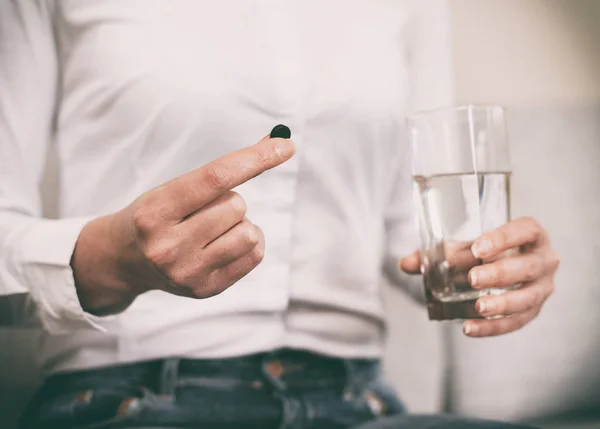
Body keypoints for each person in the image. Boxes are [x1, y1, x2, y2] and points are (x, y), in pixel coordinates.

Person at [0, 1, 559, 428]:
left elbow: (405, 220)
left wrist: (479, 267)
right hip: (125, 392)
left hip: (357, 402)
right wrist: (115, 260)